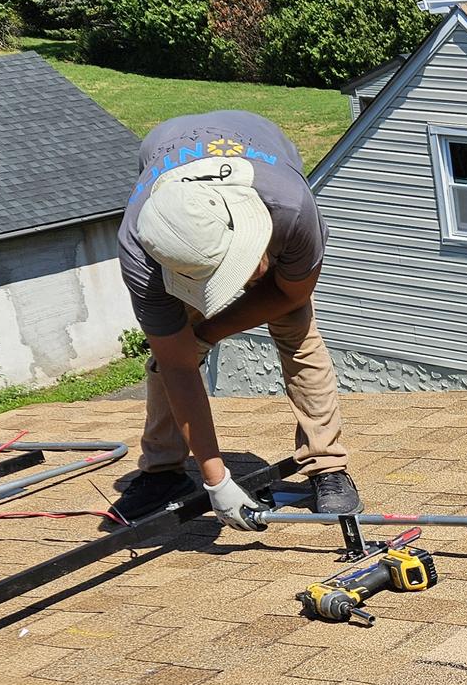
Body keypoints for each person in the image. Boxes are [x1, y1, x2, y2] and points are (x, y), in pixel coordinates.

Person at [114, 111, 361, 528]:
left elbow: (290, 292)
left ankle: (328, 465)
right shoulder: (144, 253)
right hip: (167, 152)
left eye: (241, 266)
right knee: (172, 355)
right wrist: (216, 480)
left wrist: (208, 331)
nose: (245, 281)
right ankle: (162, 471)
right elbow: (177, 364)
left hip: (260, 145)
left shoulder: (292, 209)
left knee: (297, 334)